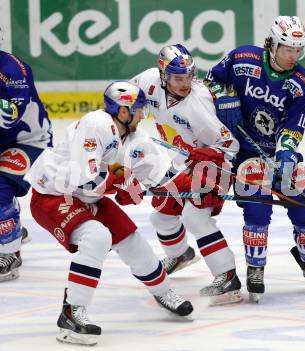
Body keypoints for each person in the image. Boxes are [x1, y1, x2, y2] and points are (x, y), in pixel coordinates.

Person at [25, 81, 199, 346]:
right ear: (123, 111)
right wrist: (122, 182)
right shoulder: (96, 124)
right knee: (96, 237)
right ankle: (72, 313)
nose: (143, 115)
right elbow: (84, 179)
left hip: (87, 197)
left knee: (133, 242)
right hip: (53, 195)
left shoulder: (137, 140)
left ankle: (164, 292)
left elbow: (165, 178)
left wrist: (201, 188)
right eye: (139, 109)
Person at [204, 16, 305, 302]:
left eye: (298, 50)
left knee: (303, 197)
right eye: (288, 49)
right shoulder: (243, 58)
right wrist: (222, 98)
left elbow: (293, 125)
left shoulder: (303, 84)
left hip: (276, 151)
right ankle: (255, 269)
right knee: (257, 205)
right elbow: (211, 80)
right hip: (242, 150)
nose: (293, 56)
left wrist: (286, 154)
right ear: (273, 44)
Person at [131, 44, 242, 305]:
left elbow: (229, 145)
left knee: (195, 216)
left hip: (214, 164)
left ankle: (227, 275)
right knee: (161, 216)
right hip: (183, 163)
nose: (185, 83)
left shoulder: (197, 104)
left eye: (189, 76)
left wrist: (207, 162)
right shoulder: (148, 81)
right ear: (162, 75)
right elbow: (128, 99)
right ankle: (181, 254)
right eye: (178, 78)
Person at [0, 48, 52, 282]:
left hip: (28, 140)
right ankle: (13, 226)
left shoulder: (12, 69)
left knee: (0, 187)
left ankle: (9, 253)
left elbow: (9, 115)